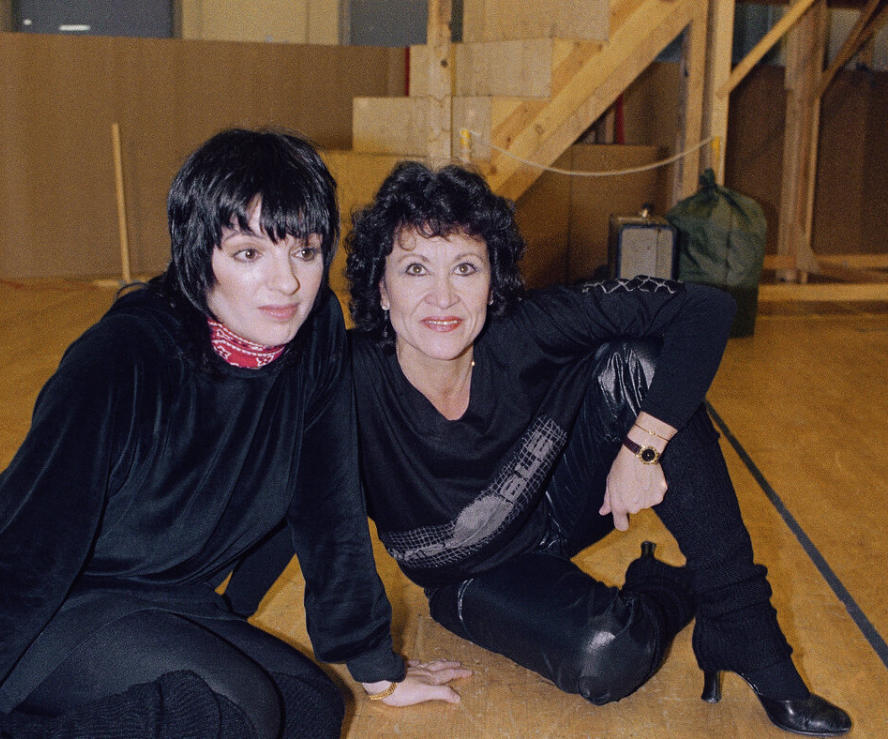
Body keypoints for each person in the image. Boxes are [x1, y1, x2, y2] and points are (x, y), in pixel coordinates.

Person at [0, 130, 468, 739]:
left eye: (306, 251)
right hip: (54, 602)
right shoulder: (122, 357)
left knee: (308, 708)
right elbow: (22, 558)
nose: (286, 283)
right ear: (196, 251)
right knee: (231, 711)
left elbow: (327, 504)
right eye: (248, 253)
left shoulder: (315, 334)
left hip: (163, 596)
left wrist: (374, 665)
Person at [344, 161, 852, 737]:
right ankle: (668, 588)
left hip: (561, 505)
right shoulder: (346, 378)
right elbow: (318, 524)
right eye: (415, 269)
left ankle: (745, 631)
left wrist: (645, 444)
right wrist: (375, 666)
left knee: (639, 363)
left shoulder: (527, 327)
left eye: (465, 267)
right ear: (381, 289)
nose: (444, 296)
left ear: (493, 280)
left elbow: (706, 309)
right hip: (467, 574)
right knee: (609, 656)